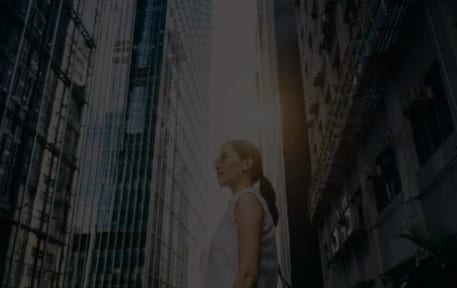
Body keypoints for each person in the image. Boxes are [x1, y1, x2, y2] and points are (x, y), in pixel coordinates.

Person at [204, 140, 279, 288]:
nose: (217, 165)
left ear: (247, 163)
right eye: (217, 160)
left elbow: (248, 275)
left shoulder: (247, 202)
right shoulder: (240, 202)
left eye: (224, 157)